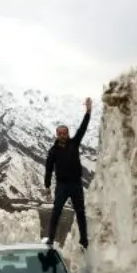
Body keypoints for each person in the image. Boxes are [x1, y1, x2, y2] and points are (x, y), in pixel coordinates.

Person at [43, 97, 91, 250]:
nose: (63, 135)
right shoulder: (53, 151)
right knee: (56, 211)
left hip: (76, 184)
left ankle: (84, 240)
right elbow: (48, 168)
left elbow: (82, 129)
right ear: (57, 134)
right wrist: (47, 186)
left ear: (68, 133)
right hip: (62, 186)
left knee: (80, 212)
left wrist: (88, 112)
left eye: (65, 133)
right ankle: (50, 238)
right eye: (60, 133)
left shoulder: (74, 143)